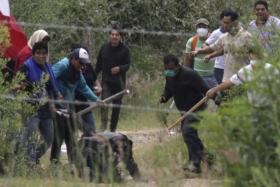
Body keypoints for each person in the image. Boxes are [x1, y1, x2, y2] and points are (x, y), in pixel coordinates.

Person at [159, 54, 213, 173]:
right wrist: (164, 97)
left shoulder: (190, 74)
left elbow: (207, 90)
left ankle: (194, 165)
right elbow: (168, 89)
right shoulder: (169, 75)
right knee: (190, 135)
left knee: (187, 131)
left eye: (171, 69)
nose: (168, 71)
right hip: (184, 111)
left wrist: (220, 102)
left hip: (196, 108)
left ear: (178, 66)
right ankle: (209, 161)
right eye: (166, 69)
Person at [50, 48, 105, 164]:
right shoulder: (63, 66)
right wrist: (55, 93)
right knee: (59, 134)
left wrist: (96, 100)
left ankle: (73, 163)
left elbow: (84, 88)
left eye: (84, 64)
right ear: (74, 59)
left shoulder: (78, 73)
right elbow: (49, 78)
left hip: (68, 106)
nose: (82, 66)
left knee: (70, 135)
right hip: (56, 106)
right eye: (80, 62)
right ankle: (54, 163)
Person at [13, 41, 61, 165]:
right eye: (38, 53)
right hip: (30, 107)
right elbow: (14, 85)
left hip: (45, 107)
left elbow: (53, 85)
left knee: (49, 136)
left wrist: (57, 95)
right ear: (33, 54)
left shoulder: (48, 67)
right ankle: (29, 163)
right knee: (31, 137)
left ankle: (33, 158)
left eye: (44, 53)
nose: (41, 56)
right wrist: (20, 86)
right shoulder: (26, 67)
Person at [191, 11, 252, 82]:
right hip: (227, 78)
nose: (225, 25)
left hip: (243, 78)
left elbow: (256, 54)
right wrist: (198, 52)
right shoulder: (224, 37)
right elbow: (212, 48)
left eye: (227, 23)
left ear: (235, 23)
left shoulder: (246, 37)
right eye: (223, 22)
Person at [95, 26, 130, 132]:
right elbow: (98, 65)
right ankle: (103, 125)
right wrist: (93, 76)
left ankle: (113, 128)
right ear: (110, 36)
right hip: (106, 81)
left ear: (121, 37)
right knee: (104, 103)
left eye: (117, 35)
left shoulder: (125, 49)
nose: (114, 37)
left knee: (116, 106)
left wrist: (120, 68)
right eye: (112, 34)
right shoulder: (104, 48)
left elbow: (128, 65)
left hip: (119, 82)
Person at [74, 46, 102, 135]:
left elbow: (94, 79)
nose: (83, 64)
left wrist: (99, 89)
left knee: (91, 130)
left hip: (84, 101)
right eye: (81, 61)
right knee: (70, 132)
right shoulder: (68, 68)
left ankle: (86, 147)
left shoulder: (88, 66)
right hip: (71, 103)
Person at [183, 18, 218, 88]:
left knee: (219, 97)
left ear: (208, 28)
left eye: (204, 27)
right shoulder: (191, 42)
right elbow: (187, 60)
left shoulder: (215, 39)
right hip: (199, 76)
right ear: (196, 28)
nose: (202, 29)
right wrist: (184, 76)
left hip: (215, 76)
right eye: (199, 27)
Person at [204, 10, 228, 84]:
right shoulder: (217, 33)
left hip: (233, 66)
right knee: (223, 91)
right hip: (220, 67)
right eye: (224, 22)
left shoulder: (237, 34)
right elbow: (205, 45)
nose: (225, 24)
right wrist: (212, 53)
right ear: (221, 21)